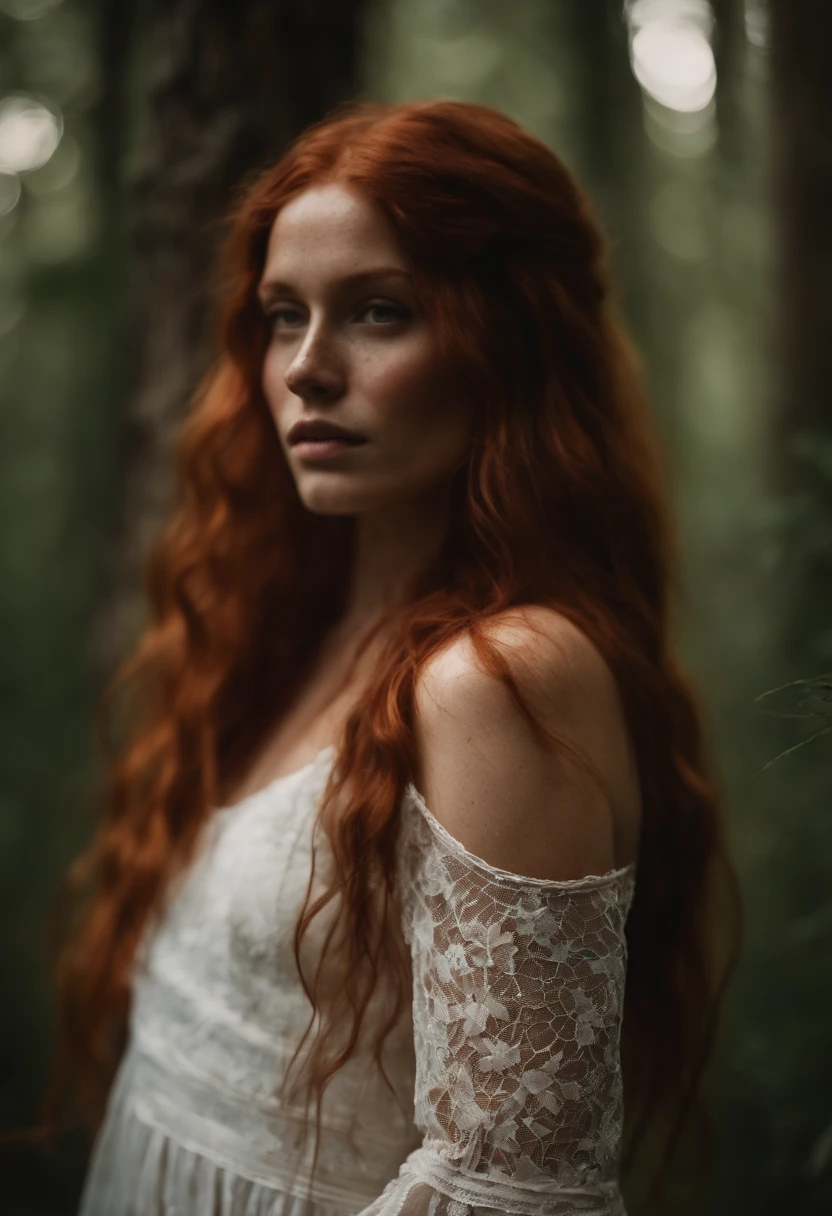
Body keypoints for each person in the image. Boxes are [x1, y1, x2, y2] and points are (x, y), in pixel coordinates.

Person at [46, 99, 739, 1216]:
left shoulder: (504, 678)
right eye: (281, 317)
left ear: (506, 340)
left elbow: (508, 1191)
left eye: (377, 311)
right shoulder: (292, 635)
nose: (308, 369)